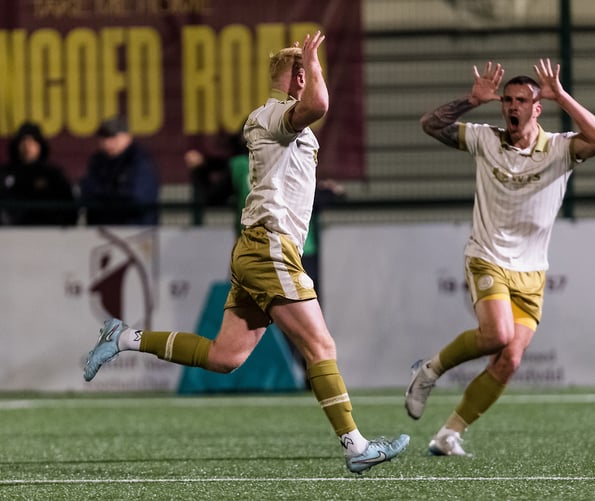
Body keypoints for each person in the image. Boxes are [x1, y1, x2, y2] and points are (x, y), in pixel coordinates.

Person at [83, 31, 409, 474]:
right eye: (304, 71)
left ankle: (123, 338)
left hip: (260, 248)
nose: (310, 77)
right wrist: (314, 62)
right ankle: (356, 447)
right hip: (269, 247)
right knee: (320, 344)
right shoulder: (274, 114)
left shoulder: (278, 119)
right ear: (296, 77)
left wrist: (307, 67)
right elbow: (319, 105)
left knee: (225, 357)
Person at [405, 59, 595, 456]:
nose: (512, 107)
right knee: (497, 335)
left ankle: (449, 433)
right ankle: (428, 371)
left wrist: (562, 95)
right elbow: (429, 124)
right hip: (487, 257)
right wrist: (471, 99)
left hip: (532, 271)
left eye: (522, 100)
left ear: (537, 108)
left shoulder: (559, 148)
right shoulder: (484, 139)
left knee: (509, 360)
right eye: (507, 100)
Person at [79, 116, 160, 225]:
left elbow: (138, 200)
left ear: (127, 137)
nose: (108, 142)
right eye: (103, 137)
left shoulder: (139, 161)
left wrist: (105, 200)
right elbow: (87, 194)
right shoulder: (98, 161)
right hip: (101, 233)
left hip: (134, 232)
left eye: (113, 137)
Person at [0, 122, 77, 226]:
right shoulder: (5, 173)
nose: (27, 146)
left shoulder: (53, 174)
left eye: (32, 141)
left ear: (40, 145)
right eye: (23, 141)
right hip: (11, 233)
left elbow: (69, 207)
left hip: (48, 233)